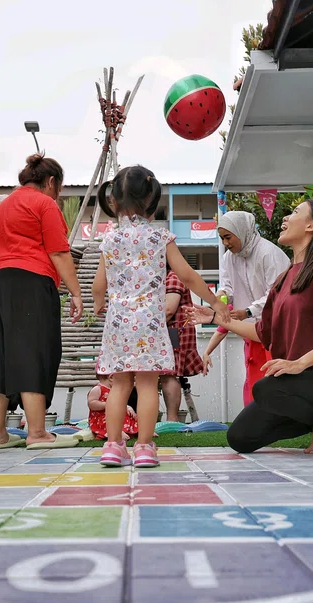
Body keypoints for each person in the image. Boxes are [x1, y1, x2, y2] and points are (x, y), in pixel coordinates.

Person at [189, 199, 313, 454]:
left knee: (265, 387)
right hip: (291, 384)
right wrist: (217, 319)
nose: (285, 219)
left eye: (294, 212)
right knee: (239, 438)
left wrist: (298, 363)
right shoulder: (283, 279)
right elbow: (261, 332)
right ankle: (311, 418)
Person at [92, 165, 229, 467]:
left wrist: (100, 303)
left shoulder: (110, 240)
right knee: (146, 384)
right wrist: (216, 303)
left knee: (119, 385)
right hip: (150, 325)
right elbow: (189, 277)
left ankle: (113, 446)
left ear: (113, 201)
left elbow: (98, 284)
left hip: (118, 324)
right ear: (152, 199)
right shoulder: (160, 237)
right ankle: (143, 447)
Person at [0, 154, 83, 450]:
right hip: (30, 283)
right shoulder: (44, 203)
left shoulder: (0, 208)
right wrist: (75, 292)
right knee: (32, 352)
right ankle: (37, 433)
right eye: (59, 189)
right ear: (51, 182)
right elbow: (59, 253)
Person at [201, 211, 291, 405]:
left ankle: (282, 423)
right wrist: (218, 300)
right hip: (251, 331)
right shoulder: (229, 258)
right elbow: (227, 288)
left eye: (228, 237)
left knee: (277, 379)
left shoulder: (269, 252)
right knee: (254, 378)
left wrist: (248, 311)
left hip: (278, 331)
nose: (225, 243)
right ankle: (255, 424)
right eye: (222, 238)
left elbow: (277, 293)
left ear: (242, 231)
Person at [161, 267, 205, 422]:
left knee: (169, 374)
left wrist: (147, 330)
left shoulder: (173, 277)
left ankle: (172, 419)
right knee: (167, 374)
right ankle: (170, 418)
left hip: (175, 332)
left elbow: (168, 310)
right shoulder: (166, 277)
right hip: (171, 331)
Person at [87, 375, 138, 440]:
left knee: (132, 416)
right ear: (111, 378)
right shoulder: (98, 389)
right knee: (109, 420)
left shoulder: (115, 391)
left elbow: (119, 403)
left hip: (115, 413)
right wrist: (108, 405)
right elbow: (91, 404)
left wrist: (127, 407)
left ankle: (139, 431)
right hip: (101, 417)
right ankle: (118, 433)